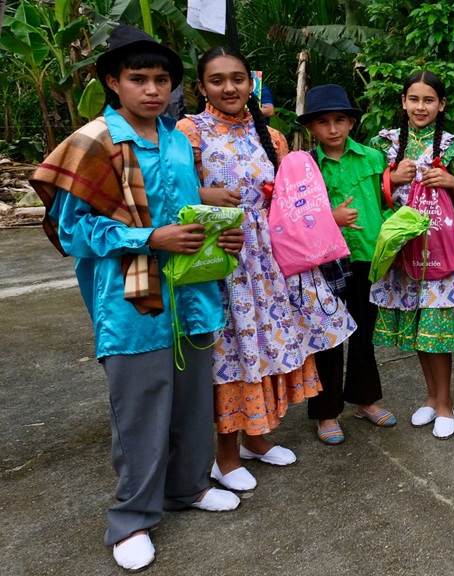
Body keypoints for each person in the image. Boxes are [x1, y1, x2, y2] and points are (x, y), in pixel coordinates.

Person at [30, 26, 242, 571]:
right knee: (141, 408)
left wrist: (220, 233)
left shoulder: (175, 138)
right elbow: (74, 232)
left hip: (192, 291)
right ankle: (131, 519)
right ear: (112, 82)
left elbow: (185, 209)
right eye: (138, 79)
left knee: (195, 400)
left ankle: (189, 488)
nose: (152, 89)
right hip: (132, 299)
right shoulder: (96, 140)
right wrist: (149, 237)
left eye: (162, 80)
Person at [177, 47, 355, 490]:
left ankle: (256, 438)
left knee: (265, 348)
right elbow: (168, 190)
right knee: (230, 354)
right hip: (220, 258)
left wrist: (323, 218)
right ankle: (224, 455)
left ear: (250, 84)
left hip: (268, 259)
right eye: (217, 80)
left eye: (238, 78)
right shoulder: (188, 131)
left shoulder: (272, 137)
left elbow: (288, 201)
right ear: (202, 88)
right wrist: (203, 194)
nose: (229, 88)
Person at [299, 84, 397, 444]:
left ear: (352, 123)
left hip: (367, 258)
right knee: (327, 337)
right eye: (323, 122)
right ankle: (326, 412)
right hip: (325, 261)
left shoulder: (373, 158)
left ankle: (365, 399)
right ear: (311, 128)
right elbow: (297, 217)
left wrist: (393, 233)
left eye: (340, 120)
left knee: (363, 332)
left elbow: (384, 203)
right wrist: (330, 217)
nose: (333, 129)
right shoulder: (304, 166)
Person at [370, 72, 454, 440]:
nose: (420, 107)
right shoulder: (384, 145)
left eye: (428, 100)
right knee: (419, 329)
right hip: (402, 253)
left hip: (439, 252)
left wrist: (453, 182)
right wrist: (389, 180)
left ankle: (446, 403)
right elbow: (370, 197)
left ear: (441, 104)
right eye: (413, 99)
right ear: (403, 102)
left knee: (436, 328)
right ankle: (430, 396)